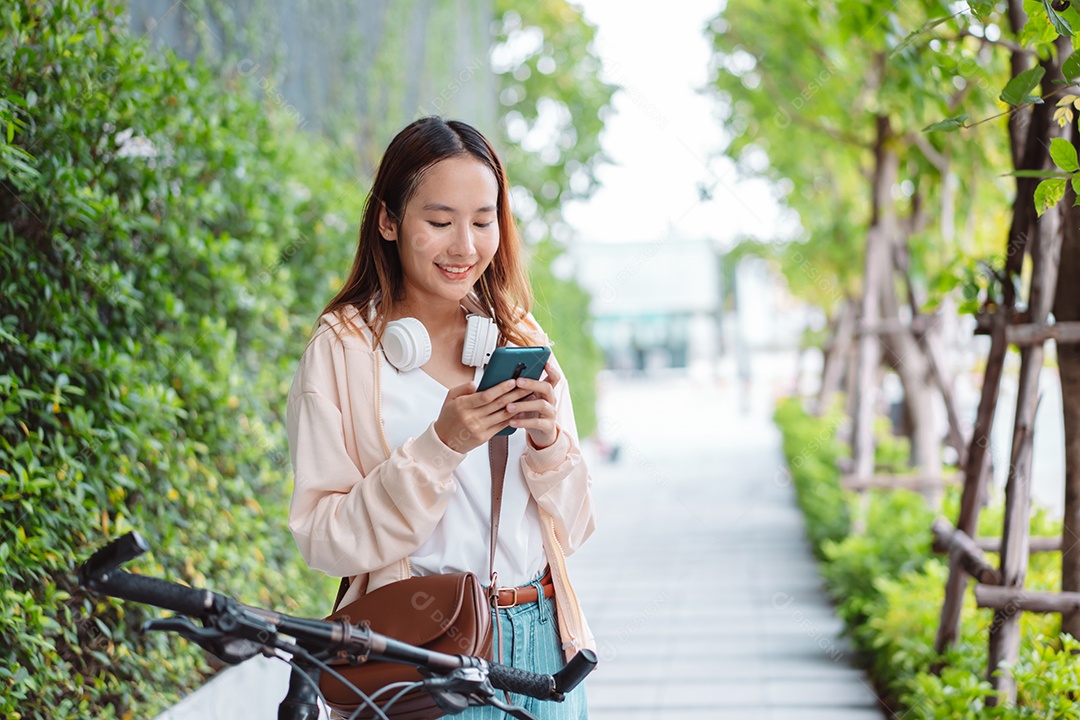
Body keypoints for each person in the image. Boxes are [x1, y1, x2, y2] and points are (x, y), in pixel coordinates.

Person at [285, 116, 595, 719]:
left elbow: (577, 527)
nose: (466, 246)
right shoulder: (344, 351)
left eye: (484, 222)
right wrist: (441, 446)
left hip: (545, 648)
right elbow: (324, 539)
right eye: (439, 221)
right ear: (389, 220)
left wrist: (548, 441)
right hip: (423, 656)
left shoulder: (519, 337)